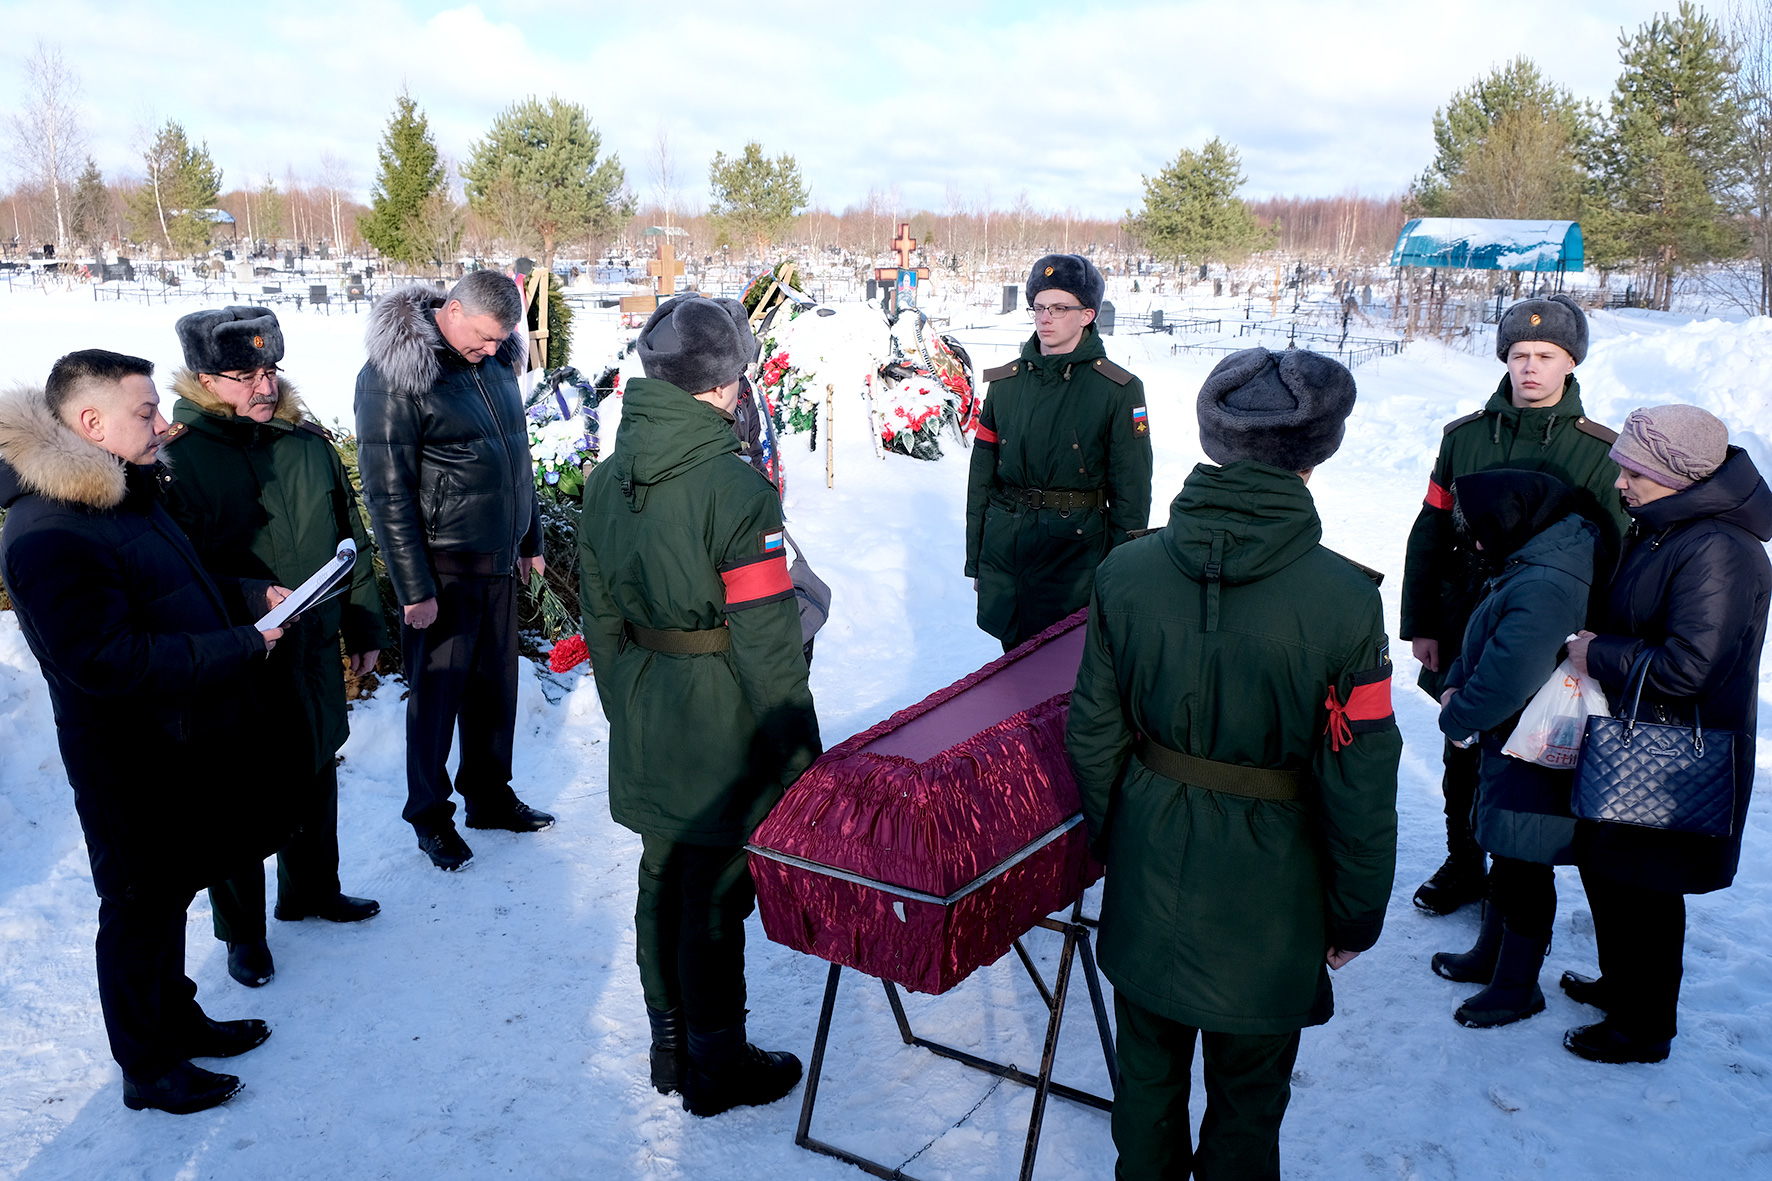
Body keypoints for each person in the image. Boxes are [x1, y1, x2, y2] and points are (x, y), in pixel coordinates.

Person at [1067, 348, 1400, 1180]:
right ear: (1316, 454)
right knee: (1249, 1100)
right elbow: (1361, 776)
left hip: (1152, 859)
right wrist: (1355, 909)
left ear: (1214, 438)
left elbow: (1094, 732)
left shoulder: (1126, 570)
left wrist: (1120, 842)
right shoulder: (1346, 600)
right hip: (1273, 893)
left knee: (1145, 1083)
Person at [0, 351, 290, 1114]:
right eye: (146, 413)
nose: (165, 425)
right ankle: (147, 1066)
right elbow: (106, 659)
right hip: (126, 756)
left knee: (168, 896)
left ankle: (179, 1019)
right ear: (91, 424)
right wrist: (243, 644)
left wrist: (243, 592)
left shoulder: (120, 491)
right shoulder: (47, 529)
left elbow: (170, 584)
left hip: (179, 741)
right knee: (135, 909)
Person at [576, 295, 822, 1117]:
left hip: (647, 700)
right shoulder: (736, 489)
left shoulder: (609, 478)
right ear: (722, 387)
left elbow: (601, 616)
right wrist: (794, 749)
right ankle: (716, 1067)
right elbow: (767, 643)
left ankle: (671, 1045)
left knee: (661, 873)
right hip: (718, 718)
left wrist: (629, 702)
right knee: (713, 891)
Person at [161, 306, 387, 990]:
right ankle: (243, 933)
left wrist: (365, 626)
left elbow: (351, 542)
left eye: (269, 370)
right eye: (241, 374)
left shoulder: (306, 443)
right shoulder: (179, 460)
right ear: (203, 378)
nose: (262, 386)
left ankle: (312, 889)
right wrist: (243, 606)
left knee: (315, 765)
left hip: (313, 648)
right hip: (236, 656)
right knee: (240, 791)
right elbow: (174, 575)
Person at [1400, 294, 1628, 915]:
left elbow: (1612, 553)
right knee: (1462, 749)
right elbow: (1431, 528)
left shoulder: (1601, 451)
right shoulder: (1465, 438)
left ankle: (1514, 871)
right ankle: (1463, 861)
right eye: (1520, 355)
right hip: (1463, 614)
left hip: (1548, 627)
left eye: (1546, 356)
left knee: (1525, 755)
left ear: (1570, 364)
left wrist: (1597, 643)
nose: (1531, 367)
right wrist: (1421, 621)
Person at [1563, 406, 1772, 1064]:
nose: (1620, 481)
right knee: (1610, 871)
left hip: (1677, 751)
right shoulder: (1666, 528)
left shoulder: (1718, 549)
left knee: (1648, 890)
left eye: (1635, 470)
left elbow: (1690, 668)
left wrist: (1595, 653)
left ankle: (1645, 1026)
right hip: (1637, 738)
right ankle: (1622, 987)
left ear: (1677, 475)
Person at [355, 272, 554, 871]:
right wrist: (413, 588)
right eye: (487, 338)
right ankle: (429, 815)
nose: (495, 351)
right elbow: (387, 494)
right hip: (441, 571)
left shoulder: (492, 366)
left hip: (497, 560)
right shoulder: (396, 376)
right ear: (455, 309)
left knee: (496, 691)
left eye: (502, 341)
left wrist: (529, 540)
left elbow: (518, 459)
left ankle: (489, 797)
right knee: (437, 701)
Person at [1429, 470, 1598, 1028]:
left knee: (1525, 860)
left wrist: (1457, 712)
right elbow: (1484, 634)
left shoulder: (1546, 582)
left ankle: (1517, 986)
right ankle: (1490, 956)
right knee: (1508, 850)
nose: (1476, 544)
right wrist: (1455, 679)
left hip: (1535, 746)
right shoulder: (1528, 560)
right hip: (1514, 740)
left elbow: (1510, 673)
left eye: (1481, 531)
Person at [965, 253, 1152, 651]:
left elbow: (1131, 492)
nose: (1045, 317)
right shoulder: (1005, 385)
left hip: (1075, 556)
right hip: (1008, 547)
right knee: (1012, 665)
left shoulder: (1117, 389)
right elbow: (982, 477)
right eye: (1039, 307)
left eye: (1059, 308)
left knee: (1062, 676)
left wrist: (1121, 574)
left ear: (1086, 315)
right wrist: (978, 557)